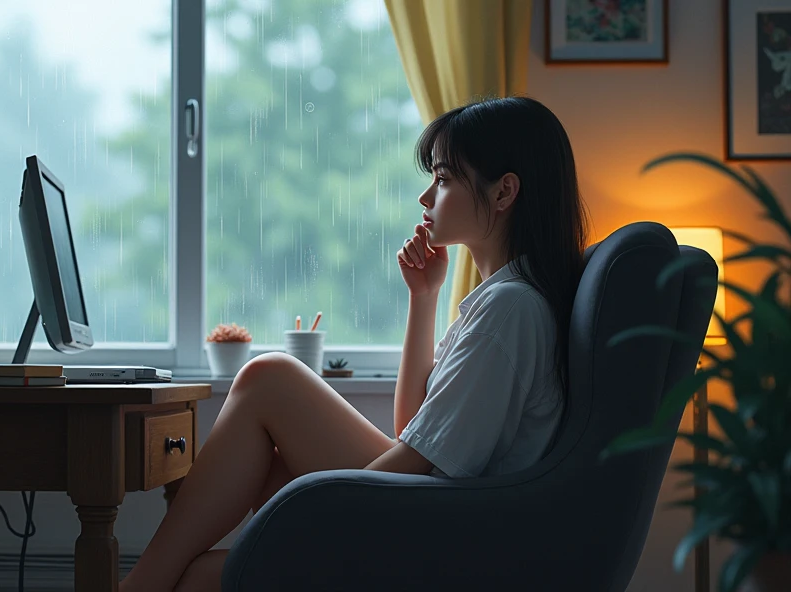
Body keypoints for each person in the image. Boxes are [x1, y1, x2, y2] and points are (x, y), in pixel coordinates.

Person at [119, 96, 589, 592]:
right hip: (439, 513)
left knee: (267, 383)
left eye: (445, 179)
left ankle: (141, 585)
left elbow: (416, 460)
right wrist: (423, 298)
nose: (426, 197)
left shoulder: (510, 310)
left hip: (448, 534)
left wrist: (307, 509)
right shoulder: (504, 300)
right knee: (268, 420)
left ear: (503, 192)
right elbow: (414, 430)